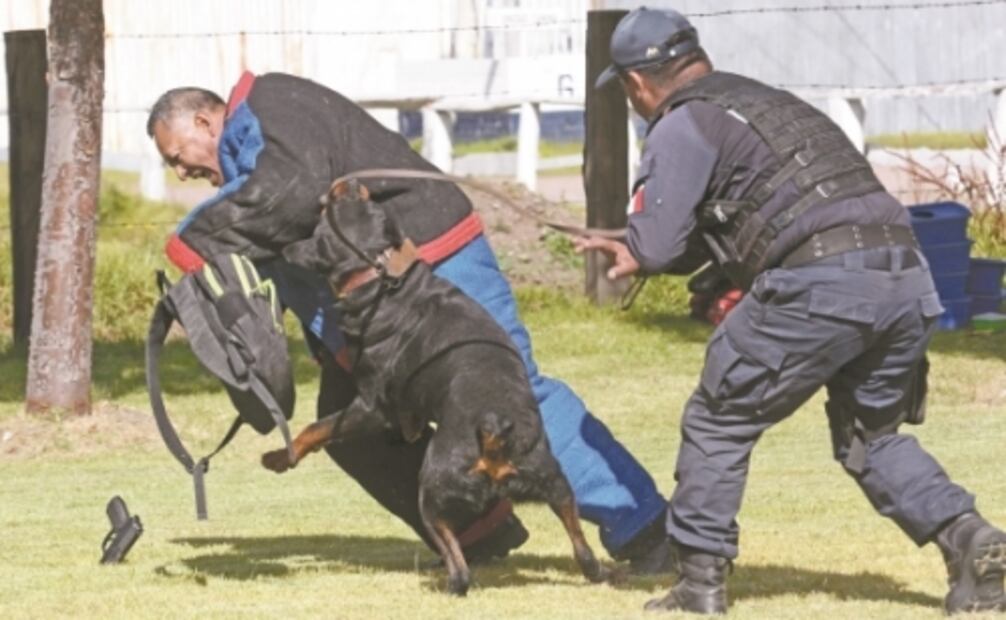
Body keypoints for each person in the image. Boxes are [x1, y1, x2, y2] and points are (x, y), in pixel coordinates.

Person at [146, 71, 674, 572]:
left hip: (435, 260)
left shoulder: (271, 102)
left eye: (178, 156)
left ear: (203, 122)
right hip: (380, 300)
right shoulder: (248, 156)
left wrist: (191, 242)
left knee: (514, 397)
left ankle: (649, 527)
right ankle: (479, 530)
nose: (182, 173)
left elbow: (290, 195)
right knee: (349, 426)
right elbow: (285, 233)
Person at [577, 6, 1006, 615]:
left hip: (817, 281)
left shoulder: (679, 123)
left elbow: (660, 243)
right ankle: (974, 543)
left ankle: (699, 586)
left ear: (636, 83)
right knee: (872, 438)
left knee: (719, 418)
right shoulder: (768, 103)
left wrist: (633, 247)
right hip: (905, 275)